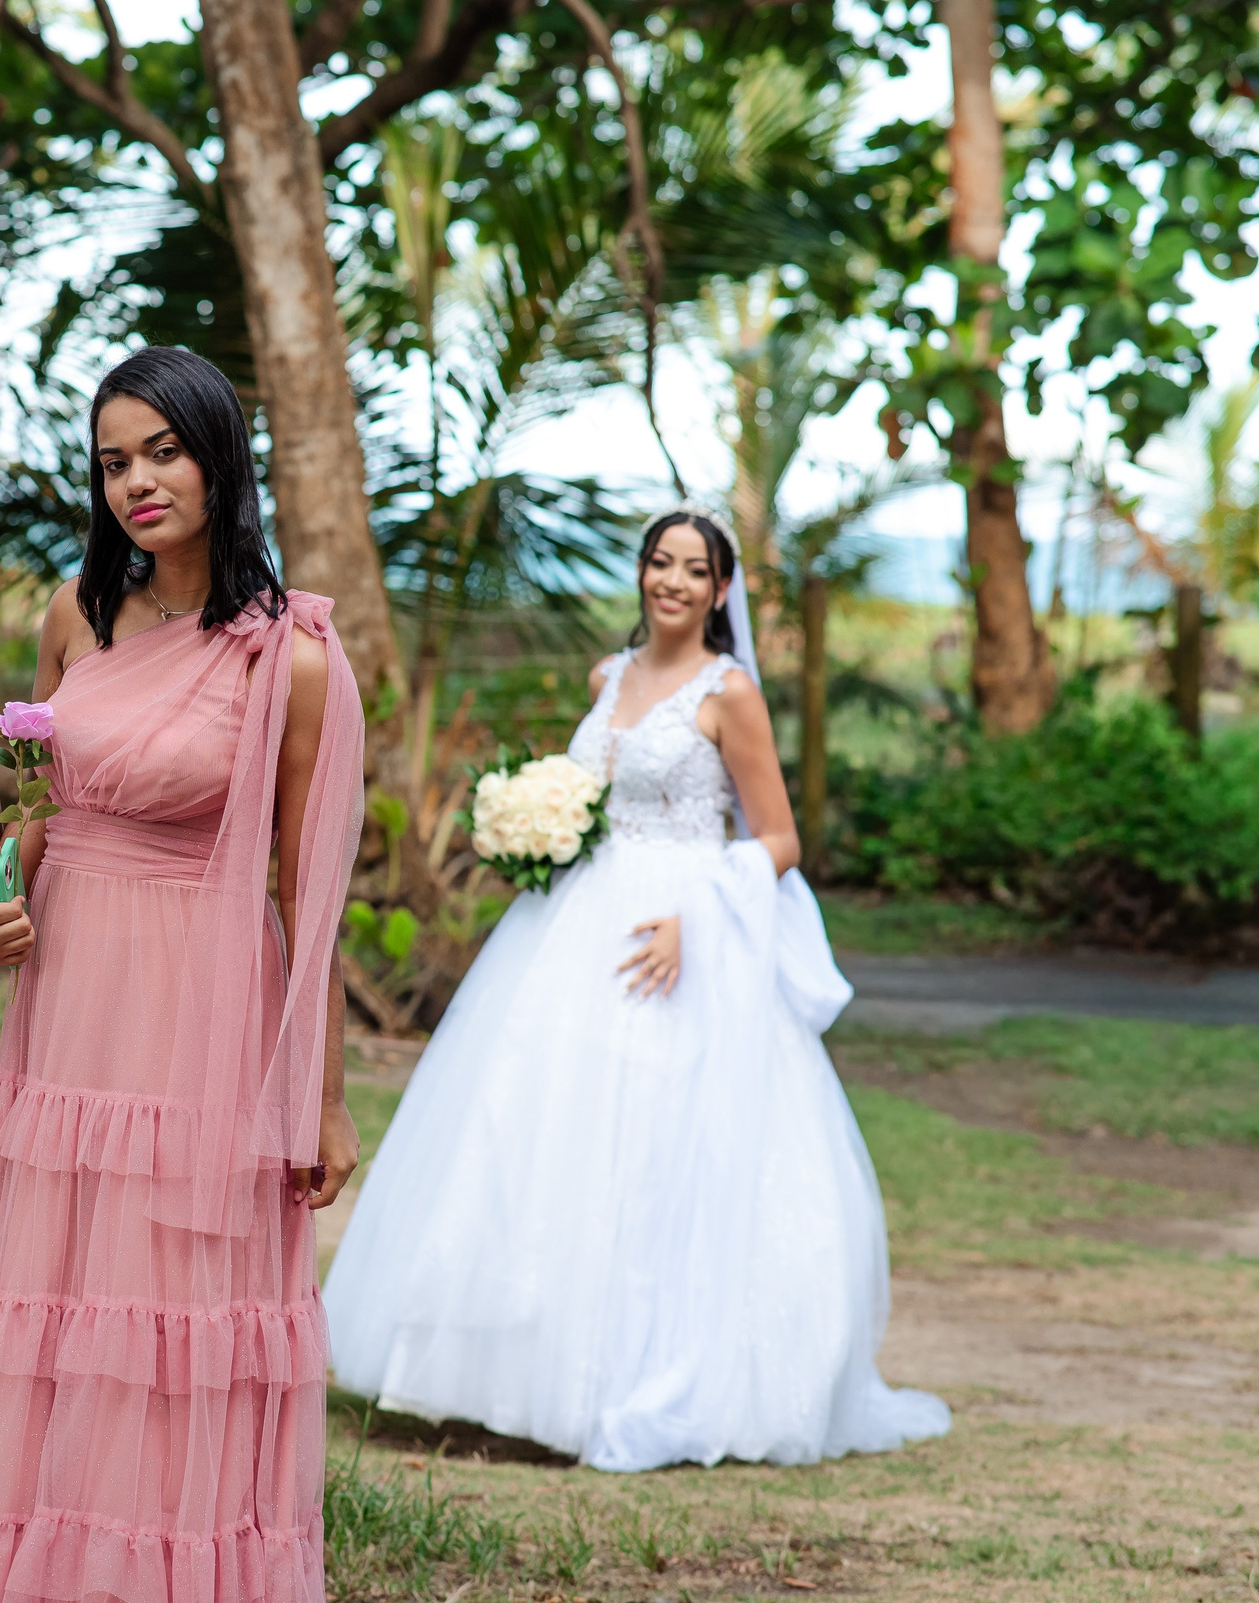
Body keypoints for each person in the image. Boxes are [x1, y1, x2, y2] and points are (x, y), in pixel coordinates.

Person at [0, 346, 366, 1603]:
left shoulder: (285, 656)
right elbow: (33, 807)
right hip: (71, 990)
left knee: (173, 1298)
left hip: (202, 995)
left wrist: (323, 1094)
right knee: (57, 1281)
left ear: (216, 457)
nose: (136, 481)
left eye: (162, 451)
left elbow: (309, 895)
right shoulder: (73, 617)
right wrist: (0, 899)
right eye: (112, 460)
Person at [322, 505, 952, 1472]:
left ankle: (627, 1377)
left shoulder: (729, 692)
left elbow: (779, 839)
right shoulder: (605, 677)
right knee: (527, 1133)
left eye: (694, 569)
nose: (672, 581)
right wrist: (535, 834)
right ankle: (493, 1377)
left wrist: (696, 918)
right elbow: (590, 796)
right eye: (660, 561)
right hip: (570, 926)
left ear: (721, 590)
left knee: (657, 1146)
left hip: (680, 937)